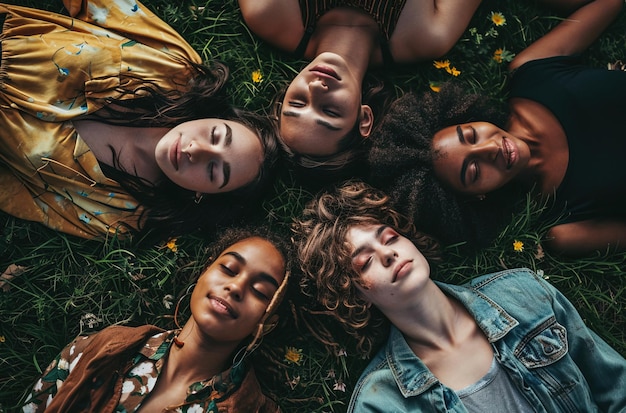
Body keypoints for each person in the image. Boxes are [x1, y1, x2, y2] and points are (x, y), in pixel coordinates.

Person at [292, 180, 626, 413]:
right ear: (355, 295)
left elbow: (616, 388)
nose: (388, 254)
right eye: (365, 261)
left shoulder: (524, 293)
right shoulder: (381, 402)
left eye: (390, 238)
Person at [0, 0, 280, 241]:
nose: (196, 150)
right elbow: (102, 7)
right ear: (214, 117)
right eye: (216, 136)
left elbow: (17, 195)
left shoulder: (124, 215)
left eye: (213, 171)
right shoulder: (176, 69)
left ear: (202, 195)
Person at [367, 0, 626, 256]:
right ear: (477, 198)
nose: (491, 148)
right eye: (474, 170)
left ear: (464, 116)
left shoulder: (532, 71)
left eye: (470, 135)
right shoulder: (568, 228)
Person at [238, 0, 585, 174]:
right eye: (330, 111)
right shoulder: (427, 38)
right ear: (364, 119)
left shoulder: (269, 13)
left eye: (297, 103)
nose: (317, 88)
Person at [21, 226, 293, 412]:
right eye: (228, 269)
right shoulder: (96, 350)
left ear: (267, 323)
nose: (235, 287)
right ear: (204, 272)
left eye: (260, 291)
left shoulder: (252, 409)